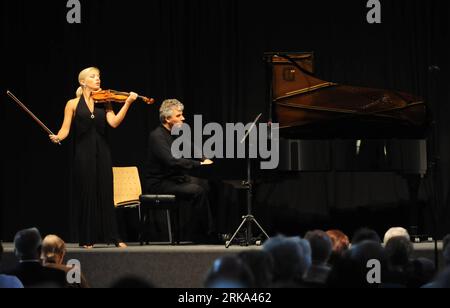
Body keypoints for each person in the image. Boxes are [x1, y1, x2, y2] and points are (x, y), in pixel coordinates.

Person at [50, 67, 138, 248]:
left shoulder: (104, 101)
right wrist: (58, 137)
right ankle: (87, 238)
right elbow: (64, 129)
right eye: (93, 76)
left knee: (106, 192)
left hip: (103, 151)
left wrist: (127, 103)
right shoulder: (72, 104)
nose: (97, 79)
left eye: (98, 76)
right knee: (87, 193)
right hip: (83, 153)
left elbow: (113, 123)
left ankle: (114, 237)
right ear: (82, 82)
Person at [144, 99, 215, 243]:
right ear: (167, 118)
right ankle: (205, 235)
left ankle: (202, 230)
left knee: (208, 184)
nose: (183, 118)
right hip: (158, 183)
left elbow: (190, 147)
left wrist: (206, 159)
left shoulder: (176, 133)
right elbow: (171, 161)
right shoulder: (157, 136)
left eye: (182, 114)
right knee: (198, 191)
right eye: (178, 115)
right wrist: (199, 164)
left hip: (173, 179)